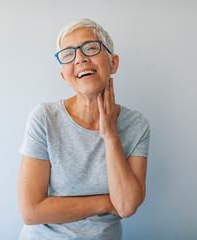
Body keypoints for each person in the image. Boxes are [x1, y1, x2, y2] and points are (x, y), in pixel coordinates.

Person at [17, 18, 150, 240]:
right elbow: (30, 211)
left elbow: (126, 206)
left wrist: (110, 135)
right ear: (64, 76)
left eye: (90, 48)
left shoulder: (136, 125)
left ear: (113, 62)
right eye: (68, 54)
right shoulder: (44, 118)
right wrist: (107, 202)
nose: (80, 58)